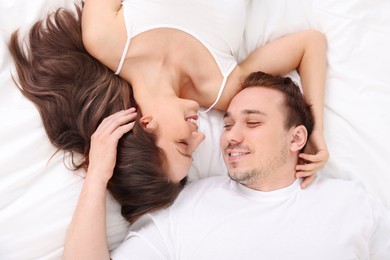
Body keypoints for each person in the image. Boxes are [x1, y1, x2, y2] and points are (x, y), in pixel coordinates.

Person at [9, 0, 328, 223]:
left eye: (182, 145)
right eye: (194, 150)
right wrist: (314, 132)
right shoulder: (222, 88)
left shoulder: (105, 39)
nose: (201, 135)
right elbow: (309, 45)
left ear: (146, 124)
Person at [64, 71, 390, 259]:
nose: (231, 136)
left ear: (296, 138)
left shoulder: (353, 203)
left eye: (253, 123)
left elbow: (310, 41)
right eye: (229, 124)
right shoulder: (187, 207)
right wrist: (97, 176)